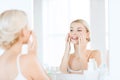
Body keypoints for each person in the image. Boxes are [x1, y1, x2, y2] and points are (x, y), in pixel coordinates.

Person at [0, 10, 50, 80]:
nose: (30, 30)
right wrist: (33, 56)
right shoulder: (27, 60)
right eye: (27, 26)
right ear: (22, 31)